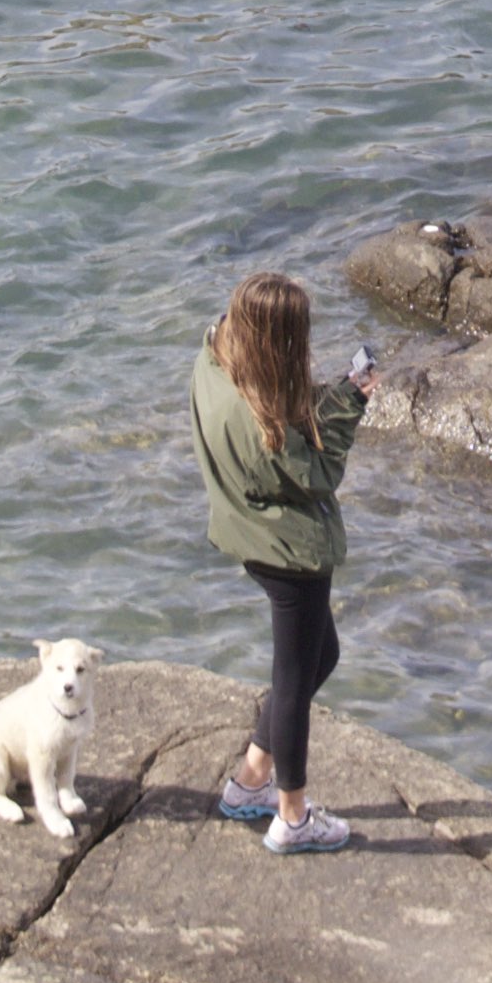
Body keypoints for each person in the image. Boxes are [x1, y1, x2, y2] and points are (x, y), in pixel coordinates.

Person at [192, 270, 372, 853]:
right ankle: (292, 818)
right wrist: (350, 407)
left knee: (322, 656)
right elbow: (316, 474)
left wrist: (331, 396)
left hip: (248, 533)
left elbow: (279, 421)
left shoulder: (214, 357)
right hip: (288, 554)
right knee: (293, 683)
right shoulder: (258, 426)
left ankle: (250, 780)